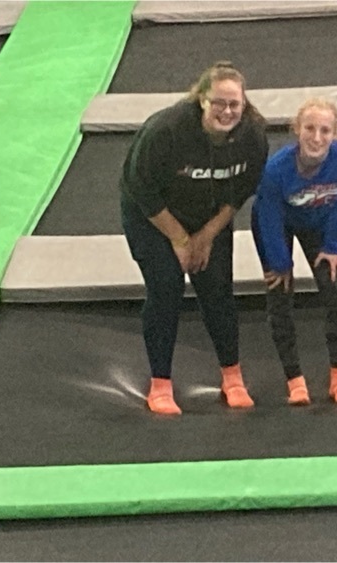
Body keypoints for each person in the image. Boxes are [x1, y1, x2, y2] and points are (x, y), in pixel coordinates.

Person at [120, 61, 269, 415]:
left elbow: (240, 192)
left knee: (217, 290)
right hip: (152, 215)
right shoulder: (166, 131)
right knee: (166, 288)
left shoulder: (252, 136)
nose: (227, 111)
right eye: (218, 103)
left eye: (234, 104)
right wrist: (180, 240)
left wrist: (206, 236)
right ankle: (160, 384)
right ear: (202, 99)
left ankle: (232, 377)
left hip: (208, 215)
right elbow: (142, 190)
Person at [251, 98, 337, 405]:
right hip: (277, 225)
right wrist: (279, 262)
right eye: (309, 129)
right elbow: (269, 217)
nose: (316, 137)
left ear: (335, 134)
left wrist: (333, 244)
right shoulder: (276, 170)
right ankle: (295, 381)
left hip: (321, 224)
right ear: (297, 130)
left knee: (336, 290)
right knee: (280, 295)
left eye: (325, 130)